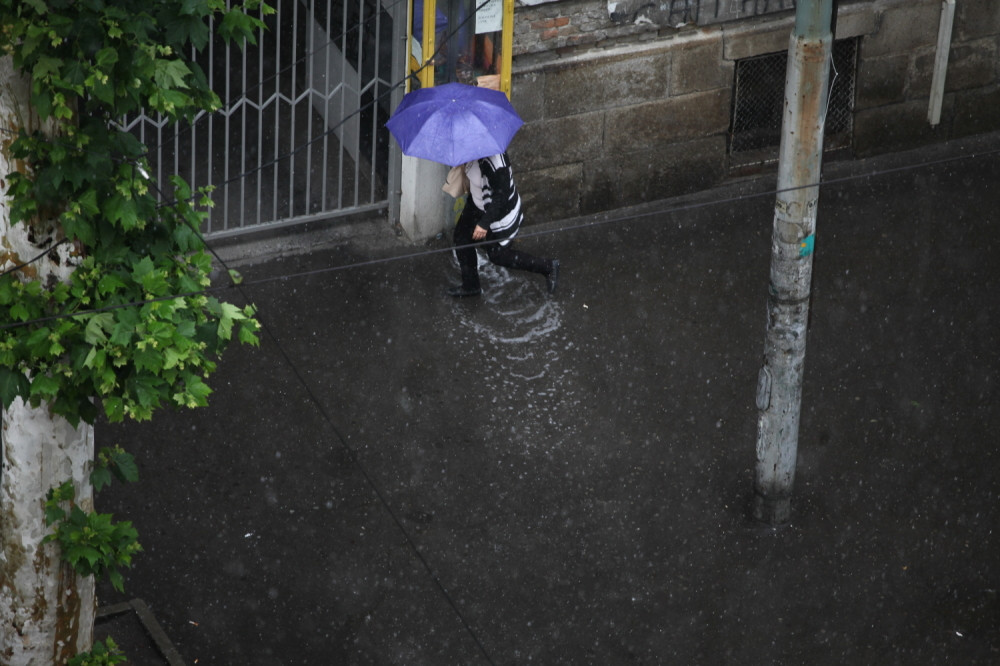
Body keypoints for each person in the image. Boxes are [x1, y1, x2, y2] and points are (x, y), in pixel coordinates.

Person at [447, 152, 559, 298]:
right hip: (476, 204)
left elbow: (502, 196)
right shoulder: (470, 150)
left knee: (498, 255)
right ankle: (471, 286)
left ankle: (548, 267)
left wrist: (484, 224)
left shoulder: (497, 164)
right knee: (462, 239)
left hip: (498, 212)